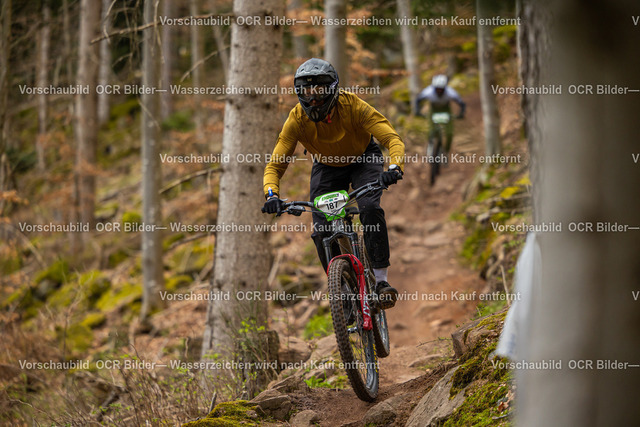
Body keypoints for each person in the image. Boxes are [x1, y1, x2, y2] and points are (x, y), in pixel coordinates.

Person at [262, 58, 404, 309]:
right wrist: (272, 195)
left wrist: (394, 167)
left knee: (369, 207)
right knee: (321, 230)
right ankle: (342, 291)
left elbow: (392, 138)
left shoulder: (354, 107)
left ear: (333, 89)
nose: (314, 99)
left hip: (363, 158)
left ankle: (381, 281)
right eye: (307, 91)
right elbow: (275, 165)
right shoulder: (296, 119)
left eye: (320, 90)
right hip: (327, 166)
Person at [415, 74, 466, 157]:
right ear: (434, 87)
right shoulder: (428, 92)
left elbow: (462, 103)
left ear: (444, 88)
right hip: (434, 109)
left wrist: (461, 114)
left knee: (449, 133)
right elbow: (418, 100)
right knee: (432, 130)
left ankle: (446, 151)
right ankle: (430, 144)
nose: (439, 91)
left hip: (446, 110)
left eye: (441, 89)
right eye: (437, 89)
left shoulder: (450, 93)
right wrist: (417, 112)